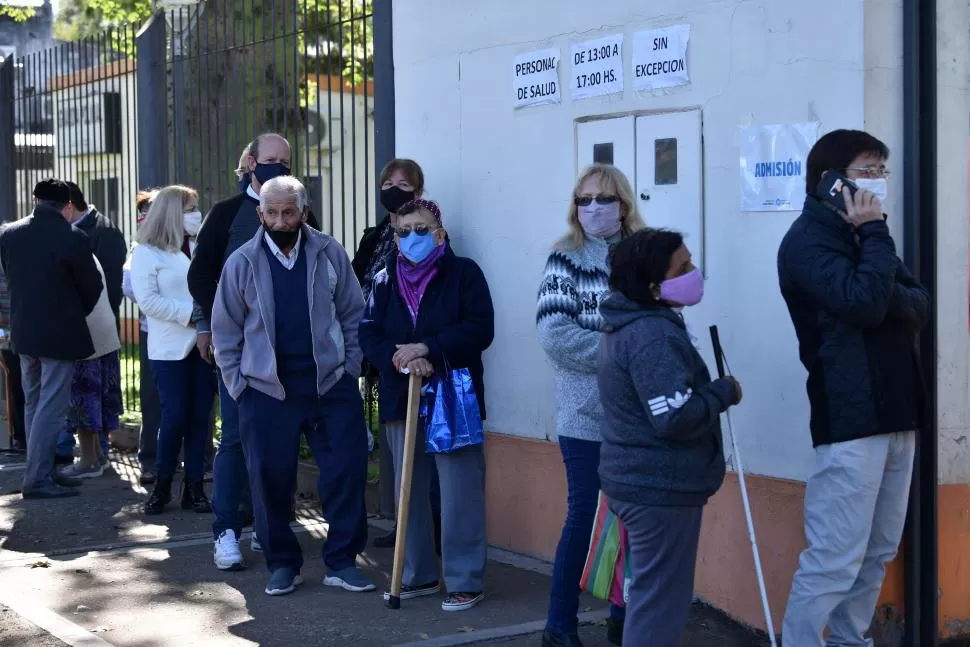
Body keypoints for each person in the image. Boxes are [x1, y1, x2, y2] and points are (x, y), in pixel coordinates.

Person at [777, 129, 929, 646]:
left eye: (882, 172)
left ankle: (849, 640)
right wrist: (877, 246)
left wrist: (876, 274)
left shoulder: (864, 236)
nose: (878, 182)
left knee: (878, 551)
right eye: (868, 171)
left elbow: (918, 305)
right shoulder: (807, 242)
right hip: (851, 418)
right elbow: (866, 303)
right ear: (831, 181)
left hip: (898, 413)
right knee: (834, 559)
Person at [212, 176, 374, 597]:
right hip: (266, 392)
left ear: (304, 212)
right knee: (269, 481)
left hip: (330, 386)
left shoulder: (329, 252)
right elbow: (225, 331)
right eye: (272, 212)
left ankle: (341, 561)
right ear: (260, 214)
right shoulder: (241, 262)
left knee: (346, 471)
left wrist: (350, 368)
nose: (281, 220)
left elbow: (353, 314)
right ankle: (282, 563)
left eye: (289, 212)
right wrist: (239, 385)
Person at [598, 228, 739, 647]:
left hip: (644, 482)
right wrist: (722, 392)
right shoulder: (650, 336)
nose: (694, 272)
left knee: (650, 597)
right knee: (659, 605)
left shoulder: (634, 325)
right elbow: (674, 418)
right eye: (684, 267)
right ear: (654, 287)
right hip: (657, 488)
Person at [189, 133, 321, 571]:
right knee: (236, 440)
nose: (278, 167)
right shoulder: (226, 214)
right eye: (270, 160)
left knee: (280, 444)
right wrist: (213, 325)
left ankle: (272, 529)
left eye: (285, 161)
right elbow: (201, 275)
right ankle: (225, 531)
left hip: (292, 359)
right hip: (242, 355)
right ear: (249, 162)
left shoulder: (303, 213)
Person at [359, 198, 494, 612]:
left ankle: (466, 579)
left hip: (453, 395)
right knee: (408, 490)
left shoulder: (464, 273)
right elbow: (368, 332)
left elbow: (479, 327)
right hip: (403, 393)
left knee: (459, 491)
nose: (412, 236)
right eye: (404, 230)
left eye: (422, 228)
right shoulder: (383, 280)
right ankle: (416, 575)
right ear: (394, 236)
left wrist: (429, 349)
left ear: (439, 232)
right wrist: (400, 358)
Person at [537, 164, 644, 647]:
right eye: (584, 199)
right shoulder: (566, 258)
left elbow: (668, 325)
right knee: (584, 519)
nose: (594, 208)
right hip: (585, 416)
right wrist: (622, 352)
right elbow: (555, 335)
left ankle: (625, 619)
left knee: (637, 523)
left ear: (623, 204)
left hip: (642, 418)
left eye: (603, 199)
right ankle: (560, 627)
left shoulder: (649, 256)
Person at [352, 158, 441, 552]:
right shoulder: (374, 237)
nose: (393, 187)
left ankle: (428, 528)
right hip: (382, 355)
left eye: (403, 183)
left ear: (418, 190)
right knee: (394, 445)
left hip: (419, 359)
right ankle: (402, 521)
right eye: (387, 181)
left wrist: (415, 350)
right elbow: (356, 285)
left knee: (427, 449)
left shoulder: (428, 235)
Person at [0, 179, 103, 498]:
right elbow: (93, 287)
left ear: (35, 199)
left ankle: (40, 469)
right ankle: (37, 479)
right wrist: (73, 311)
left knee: (33, 403)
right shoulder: (73, 237)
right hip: (59, 333)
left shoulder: (9, 233)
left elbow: (9, 273)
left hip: (24, 331)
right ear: (66, 205)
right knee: (51, 407)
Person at [130, 185, 213, 515]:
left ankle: (194, 489)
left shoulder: (201, 245)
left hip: (205, 347)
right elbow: (147, 300)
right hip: (169, 348)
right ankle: (162, 484)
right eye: (190, 208)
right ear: (171, 212)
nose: (196, 213)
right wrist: (192, 315)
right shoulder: (147, 251)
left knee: (199, 419)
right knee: (175, 416)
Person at [55, 182, 128, 465]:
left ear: (70, 206)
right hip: (80, 329)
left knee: (93, 393)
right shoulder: (73, 231)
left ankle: (96, 456)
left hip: (95, 330)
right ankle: (85, 453)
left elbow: (109, 289)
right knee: (84, 394)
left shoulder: (103, 232)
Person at [58, 252, 123, 479]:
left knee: (84, 402)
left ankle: (87, 462)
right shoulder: (85, 251)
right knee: (96, 401)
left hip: (86, 340)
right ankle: (96, 456)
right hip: (102, 336)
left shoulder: (68, 254)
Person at [124, 190, 163, 485]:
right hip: (154, 330)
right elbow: (130, 287)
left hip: (190, 332)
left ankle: (199, 460)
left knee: (195, 398)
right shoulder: (140, 248)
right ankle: (150, 460)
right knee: (152, 398)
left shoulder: (191, 242)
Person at [0, 259, 25, 453]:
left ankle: (23, 437)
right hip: (8, 334)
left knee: (22, 386)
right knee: (17, 385)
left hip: (23, 330)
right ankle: (21, 437)